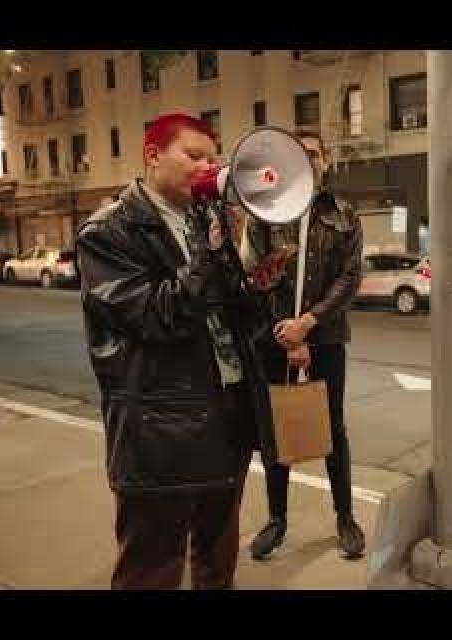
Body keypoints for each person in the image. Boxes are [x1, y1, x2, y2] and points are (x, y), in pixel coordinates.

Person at [76, 113, 275, 589]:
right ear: (153, 155)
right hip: (162, 430)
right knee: (153, 567)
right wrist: (209, 258)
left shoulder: (205, 220)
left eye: (212, 157)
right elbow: (154, 315)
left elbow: (225, 317)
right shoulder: (108, 232)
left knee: (217, 558)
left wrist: (255, 283)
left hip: (226, 417)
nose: (207, 166)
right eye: (194, 155)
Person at [244, 129, 366, 560]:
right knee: (276, 429)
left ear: (326, 161)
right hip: (275, 340)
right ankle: (276, 520)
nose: (310, 160)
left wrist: (309, 323)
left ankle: (345, 517)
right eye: (301, 154)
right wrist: (286, 331)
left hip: (327, 339)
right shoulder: (265, 213)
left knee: (333, 429)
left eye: (315, 154)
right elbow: (255, 279)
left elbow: (350, 277)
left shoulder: (344, 214)